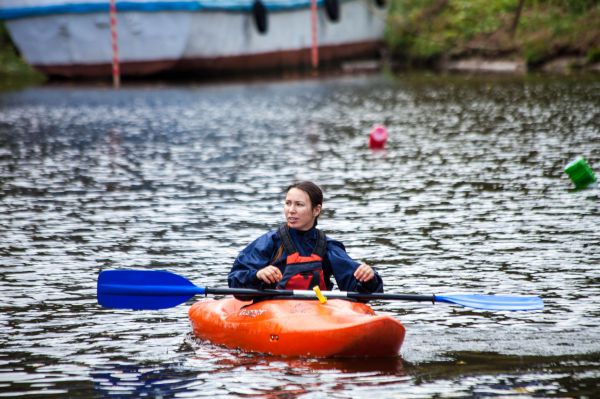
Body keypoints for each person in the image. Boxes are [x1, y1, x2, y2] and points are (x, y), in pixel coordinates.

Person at [228, 181, 383, 293]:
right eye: (288, 203)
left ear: (316, 210)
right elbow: (235, 278)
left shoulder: (328, 247)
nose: (291, 210)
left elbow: (355, 288)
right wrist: (257, 275)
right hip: (274, 313)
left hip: (315, 313)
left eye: (299, 205)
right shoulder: (270, 242)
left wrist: (369, 277)